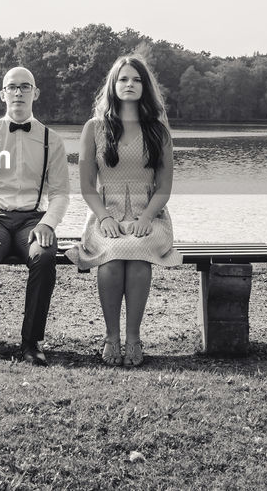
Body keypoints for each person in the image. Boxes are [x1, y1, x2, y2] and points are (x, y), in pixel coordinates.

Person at [66, 55, 181, 367]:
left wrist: (145, 218)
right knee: (113, 257)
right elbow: (87, 185)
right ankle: (111, 336)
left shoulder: (159, 131)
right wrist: (104, 217)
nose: (130, 85)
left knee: (139, 254)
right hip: (107, 215)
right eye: (123, 79)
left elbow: (165, 188)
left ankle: (133, 337)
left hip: (150, 215)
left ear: (145, 87)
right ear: (113, 86)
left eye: (136, 80)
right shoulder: (94, 129)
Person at [0, 66, 70, 366]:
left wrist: (48, 224)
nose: (18, 92)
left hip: (33, 221)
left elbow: (60, 193)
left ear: (35, 93)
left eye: (25, 86)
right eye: (12, 87)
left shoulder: (52, 140)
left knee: (45, 256)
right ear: (2, 94)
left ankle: (31, 343)